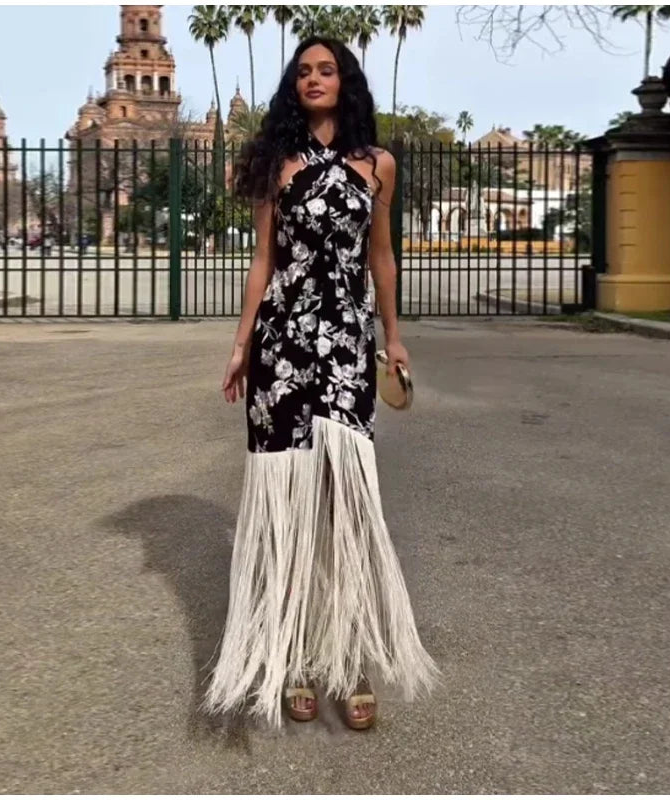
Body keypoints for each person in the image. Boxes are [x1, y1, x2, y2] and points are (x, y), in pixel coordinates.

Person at [201, 36, 439, 730]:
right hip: (283, 349)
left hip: (344, 347)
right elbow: (262, 262)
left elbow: (383, 258)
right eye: (303, 71)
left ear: (346, 81)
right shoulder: (277, 163)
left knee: (347, 498)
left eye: (325, 70)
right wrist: (242, 344)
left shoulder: (379, 165)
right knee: (291, 499)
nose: (313, 79)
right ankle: (297, 655)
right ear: (293, 87)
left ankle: (351, 654)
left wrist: (391, 337)